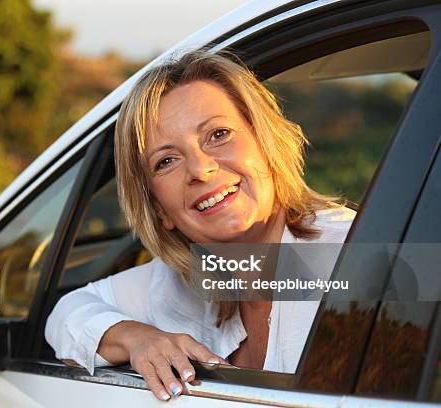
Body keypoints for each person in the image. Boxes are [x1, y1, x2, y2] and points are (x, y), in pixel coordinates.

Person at [44, 49, 355, 402]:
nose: (200, 168)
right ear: (159, 209)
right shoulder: (186, 278)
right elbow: (67, 313)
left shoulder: (352, 253)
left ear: (266, 144)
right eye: (167, 161)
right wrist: (137, 339)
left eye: (218, 134)